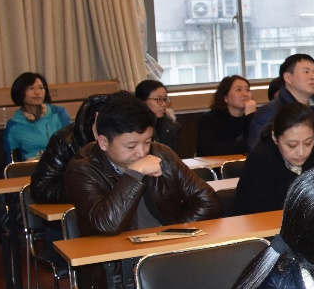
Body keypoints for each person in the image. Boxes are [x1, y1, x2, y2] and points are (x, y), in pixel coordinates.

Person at [64, 92, 222, 237]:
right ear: (103, 142)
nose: (141, 152)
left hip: (165, 247)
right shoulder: (82, 169)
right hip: (116, 255)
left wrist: (171, 234)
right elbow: (107, 226)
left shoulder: (161, 153)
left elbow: (209, 201)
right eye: (131, 146)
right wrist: (134, 174)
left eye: (147, 142)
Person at [247, 54, 314, 160]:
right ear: (288, 77)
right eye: (306, 72)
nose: (313, 77)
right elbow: (258, 155)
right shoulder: (269, 112)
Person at [234, 102, 314, 216]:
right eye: (292, 145)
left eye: (308, 143)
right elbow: (264, 214)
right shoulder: (261, 160)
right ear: (274, 138)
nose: (301, 152)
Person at [31, 93, 109, 204]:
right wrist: (85, 190)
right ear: (98, 118)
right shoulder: (65, 140)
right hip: (77, 208)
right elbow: (41, 188)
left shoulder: (128, 139)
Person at [4, 71, 71, 162]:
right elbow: (11, 160)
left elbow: (70, 143)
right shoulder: (13, 125)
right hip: (31, 167)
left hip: (60, 163)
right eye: (31, 88)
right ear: (20, 92)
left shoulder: (58, 113)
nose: (37, 92)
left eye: (41, 88)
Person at [195, 75, 256, 156]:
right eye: (238, 90)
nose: (245, 94)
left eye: (247, 90)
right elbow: (207, 149)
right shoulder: (209, 119)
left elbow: (258, 145)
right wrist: (246, 145)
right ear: (225, 97)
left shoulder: (255, 116)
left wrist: (250, 116)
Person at [135, 79, 180, 153]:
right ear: (142, 101)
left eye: (165, 99)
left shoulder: (169, 126)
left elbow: (170, 156)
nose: (164, 104)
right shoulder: (132, 127)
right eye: (159, 99)